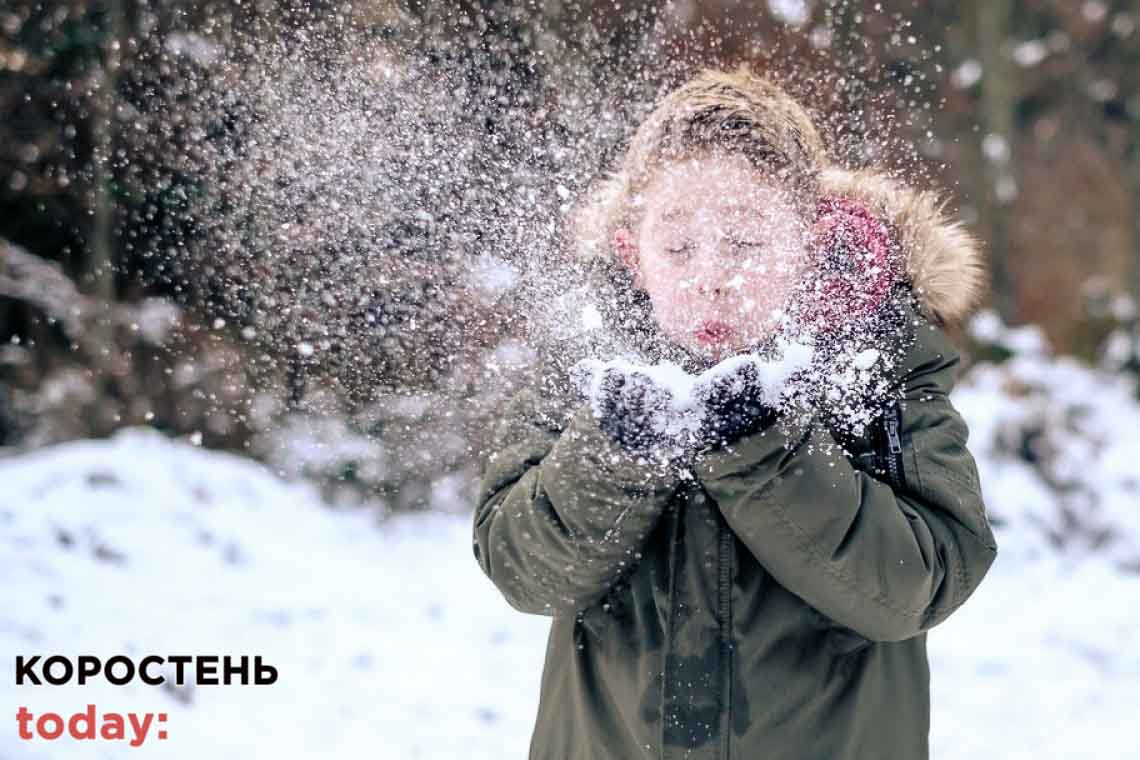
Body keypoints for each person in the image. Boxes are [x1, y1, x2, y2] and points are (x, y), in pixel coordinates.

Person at [471, 65, 999, 760]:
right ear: (635, 255)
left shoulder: (877, 357)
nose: (711, 274)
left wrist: (764, 450)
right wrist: (617, 453)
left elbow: (918, 585)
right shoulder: (589, 361)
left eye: (746, 242)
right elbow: (521, 569)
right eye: (678, 245)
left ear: (808, 244)